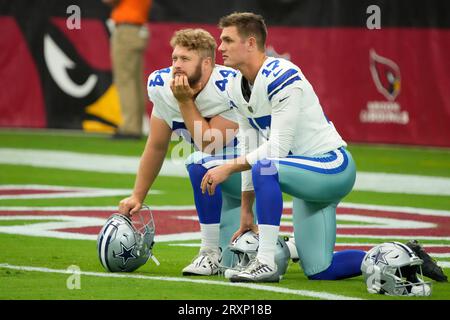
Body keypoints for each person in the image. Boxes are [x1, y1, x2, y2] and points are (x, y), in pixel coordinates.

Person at [194, 12, 367, 283]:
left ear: (250, 43)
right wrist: (246, 212)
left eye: (228, 40)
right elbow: (250, 147)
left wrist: (228, 167)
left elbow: (276, 148)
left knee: (265, 166)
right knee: (321, 270)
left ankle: (265, 262)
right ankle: (389, 255)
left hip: (332, 166)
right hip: (304, 178)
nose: (221, 47)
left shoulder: (282, 74)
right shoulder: (236, 87)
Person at [117, 28, 242, 275]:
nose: (176, 66)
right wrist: (137, 196)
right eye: (174, 58)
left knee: (199, 161)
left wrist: (185, 102)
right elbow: (156, 146)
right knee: (236, 261)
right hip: (221, 183)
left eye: (185, 59)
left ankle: (209, 252)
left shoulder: (229, 86)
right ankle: (284, 244)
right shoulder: (162, 87)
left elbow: (210, 145)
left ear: (207, 63)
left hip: (257, 175)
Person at [103, 0, 152, 139]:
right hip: (138, 29)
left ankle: (130, 128)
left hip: (126, 29)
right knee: (135, 81)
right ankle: (136, 125)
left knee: (125, 80)